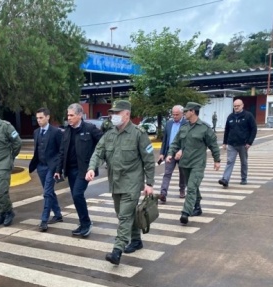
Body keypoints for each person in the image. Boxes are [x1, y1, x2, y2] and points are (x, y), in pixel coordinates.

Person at [86, 100, 155, 265]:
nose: (113, 116)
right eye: (112, 113)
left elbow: (149, 160)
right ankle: (136, 240)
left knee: (124, 216)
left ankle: (117, 250)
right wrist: (91, 168)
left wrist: (149, 183)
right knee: (124, 214)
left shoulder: (138, 133)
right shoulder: (109, 134)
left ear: (127, 114)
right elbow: (98, 152)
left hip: (132, 182)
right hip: (116, 183)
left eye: (117, 113)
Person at [166, 102, 221, 225]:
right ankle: (197, 207)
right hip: (185, 164)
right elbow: (176, 142)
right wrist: (170, 154)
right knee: (193, 186)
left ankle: (185, 212)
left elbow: (213, 145)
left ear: (193, 111)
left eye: (186, 111)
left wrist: (217, 160)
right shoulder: (184, 128)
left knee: (191, 188)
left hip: (197, 164)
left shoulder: (205, 128)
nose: (184, 113)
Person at [54, 103, 102, 237]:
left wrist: (97, 162)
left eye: (71, 115)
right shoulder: (67, 130)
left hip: (84, 170)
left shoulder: (90, 129)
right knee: (76, 197)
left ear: (80, 115)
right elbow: (62, 151)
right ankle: (83, 223)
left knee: (77, 194)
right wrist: (58, 169)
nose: (68, 118)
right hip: (70, 170)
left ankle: (86, 223)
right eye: (68, 115)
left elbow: (103, 144)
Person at [29, 107, 64, 232]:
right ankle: (58, 214)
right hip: (41, 166)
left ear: (47, 117)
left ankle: (44, 220)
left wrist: (58, 169)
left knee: (47, 192)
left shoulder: (56, 132)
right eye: (37, 118)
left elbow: (61, 152)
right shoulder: (36, 132)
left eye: (41, 117)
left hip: (52, 167)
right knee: (49, 192)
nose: (38, 120)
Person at [218, 99, 257, 187]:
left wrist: (249, 142)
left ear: (242, 105)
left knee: (244, 162)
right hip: (232, 144)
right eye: (235, 106)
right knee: (230, 161)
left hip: (243, 144)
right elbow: (227, 130)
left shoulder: (248, 116)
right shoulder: (230, 117)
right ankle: (225, 179)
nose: (236, 107)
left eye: (238, 106)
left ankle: (244, 178)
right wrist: (225, 142)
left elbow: (254, 129)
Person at [158, 105, 187, 203]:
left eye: (177, 114)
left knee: (182, 173)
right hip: (170, 152)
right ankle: (163, 193)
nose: (174, 116)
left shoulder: (186, 124)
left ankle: (182, 189)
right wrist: (162, 153)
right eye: (173, 114)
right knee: (167, 173)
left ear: (182, 114)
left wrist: (182, 150)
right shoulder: (169, 123)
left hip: (182, 152)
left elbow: (188, 140)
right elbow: (165, 139)